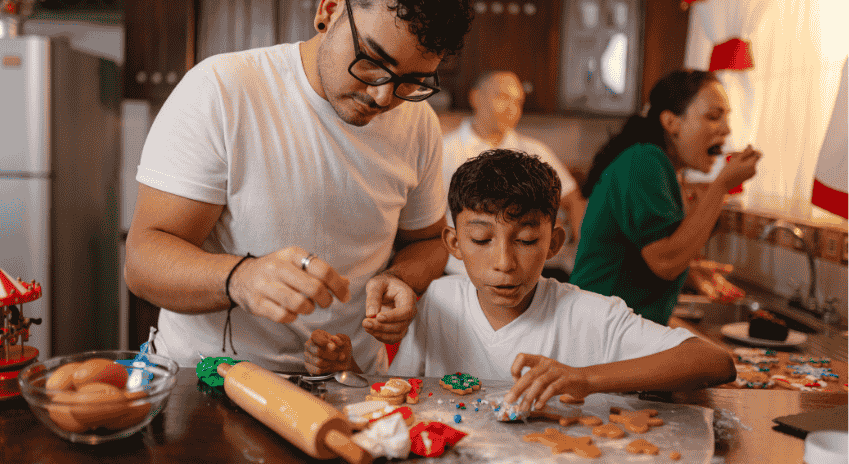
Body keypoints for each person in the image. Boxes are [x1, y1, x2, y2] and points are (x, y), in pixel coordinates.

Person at [123, 0, 474, 372]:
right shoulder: (222, 90)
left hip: (347, 383)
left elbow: (428, 243)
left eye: (411, 82)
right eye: (373, 62)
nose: (383, 98)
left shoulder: (418, 123)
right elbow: (143, 261)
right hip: (212, 384)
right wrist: (240, 278)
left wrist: (400, 278)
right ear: (329, 10)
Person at [305, 149, 736, 413]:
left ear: (554, 242)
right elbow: (399, 395)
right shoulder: (438, 302)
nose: (504, 262)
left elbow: (715, 363)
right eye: (481, 239)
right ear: (454, 244)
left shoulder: (590, 313)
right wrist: (348, 370)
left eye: (527, 239)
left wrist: (586, 379)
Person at [570, 70, 762, 325]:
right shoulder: (645, 161)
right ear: (672, 122)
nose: (726, 130)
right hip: (599, 329)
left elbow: (644, 255)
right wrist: (722, 185)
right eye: (714, 117)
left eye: (727, 118)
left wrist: (690, 271)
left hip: (611, 326)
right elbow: (666, 261)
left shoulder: (661, 168)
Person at [441, 70, 586, 277]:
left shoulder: (535, 151)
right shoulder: (445, 151)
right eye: (502, 97)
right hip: (461, 272)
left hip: (527, 273)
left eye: (518, 101)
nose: (512, 108)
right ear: (475, 97)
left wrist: (582, 254)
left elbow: (573, 200)